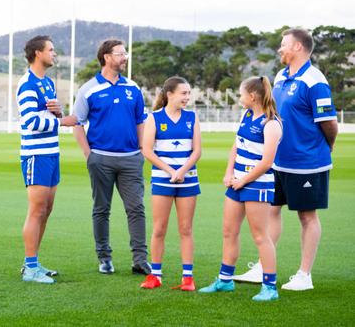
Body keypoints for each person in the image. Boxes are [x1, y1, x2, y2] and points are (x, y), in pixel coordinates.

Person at [232, 29, 338, 291]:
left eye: (284, 45)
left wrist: (327, 147)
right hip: (278, 161)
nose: (280, 50)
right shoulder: (280, 77)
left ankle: (305, 275)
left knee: (307, 216)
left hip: (307, 162)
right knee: (272, 210)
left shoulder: (315, 81)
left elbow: (329, 123)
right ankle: (263, 266)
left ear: (299, 48)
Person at [199, 76, 282, 302]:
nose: (239, 96)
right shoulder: (246, 115)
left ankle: (270, 287)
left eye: (241, 93)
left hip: (258, 184)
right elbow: (236, 147)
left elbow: (267, 162)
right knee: (229, 231)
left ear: (252, 96)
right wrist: (229, 173)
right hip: (237, 182)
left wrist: (243, 179)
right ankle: (225, 280)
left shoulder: (271, 123)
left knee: (260, 236)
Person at [72, 39, 150, 275]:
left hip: (131, 159)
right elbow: (77, 123)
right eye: (120, 53)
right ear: (106, 57)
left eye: (125, 53)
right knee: (101, 210)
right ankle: (104, 258)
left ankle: (140, 260)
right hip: (101, 159)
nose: (125, 57)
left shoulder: (133, 88)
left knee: (136, 208)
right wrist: (89, 154)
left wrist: (140, 152)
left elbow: (141, 122)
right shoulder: (88, 89)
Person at [16, 36, 78, 284]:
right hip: (36, 154)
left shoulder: (48, 83)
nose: (55, 54)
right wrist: (63, 121)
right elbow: (30, 121)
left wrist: (58, 111)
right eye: (51, 50)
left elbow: (49, 114)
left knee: (47, 209)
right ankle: (30, 268)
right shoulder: (27, 84)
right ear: (37, 53)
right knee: (36, 210)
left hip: (51, 152)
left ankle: (33, 262)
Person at [139, 76, 201, 291]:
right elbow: (147, 150)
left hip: (188, 180)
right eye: (183, 93)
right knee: (159, 229)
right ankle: (155, 275)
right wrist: (170, 171)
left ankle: (188, 278)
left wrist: (182, 171)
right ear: (170, 94)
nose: (187, 97)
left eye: (188, 93)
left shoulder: (192, 117)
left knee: (185, 228)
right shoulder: (154, 118)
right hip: (162, 179)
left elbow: (197, 151)